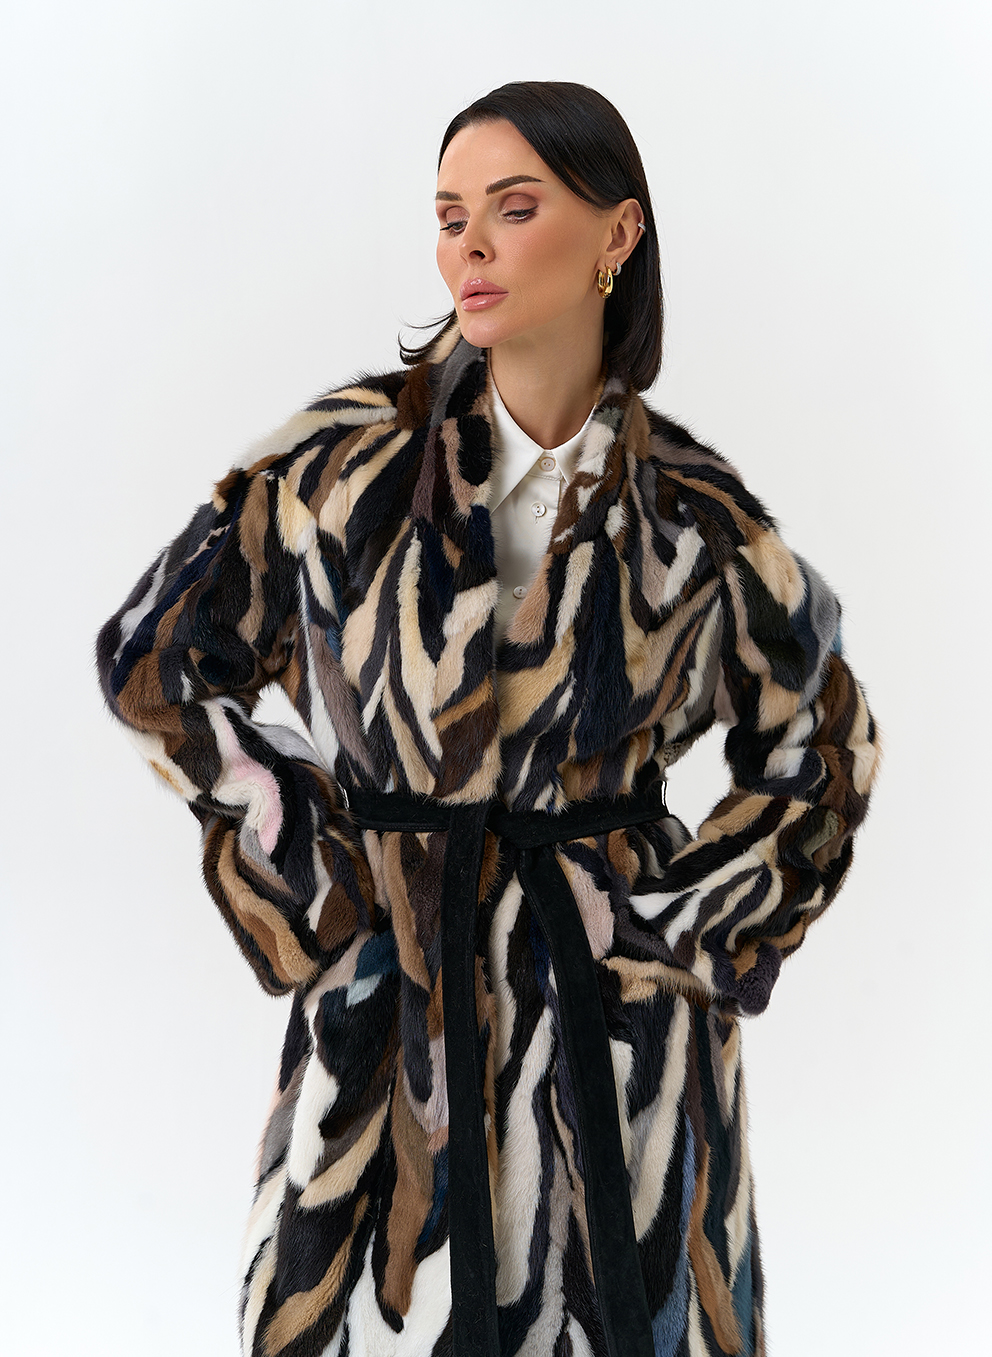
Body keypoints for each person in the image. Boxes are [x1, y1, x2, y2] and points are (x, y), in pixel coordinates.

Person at [97, 81, 878, 1357]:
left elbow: (822, 749)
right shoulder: (339, 468)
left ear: (615, 234)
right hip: (391, 1019)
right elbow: (156, 659)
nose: (468, 245)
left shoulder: (694, 515)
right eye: (448, 213)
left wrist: (681, 933)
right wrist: (318, 881)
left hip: (614, 1046)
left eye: (513, 209)